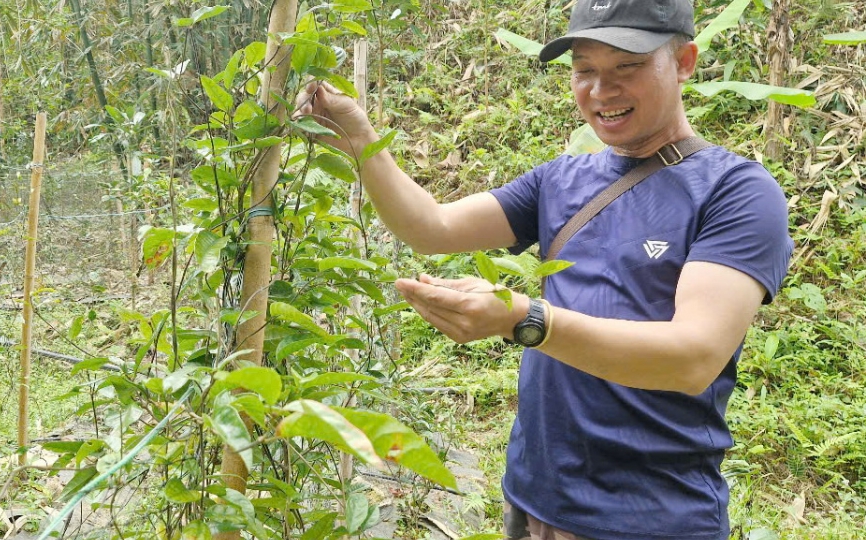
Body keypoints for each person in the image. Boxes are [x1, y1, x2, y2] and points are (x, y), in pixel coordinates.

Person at [296, 0, 793, 538]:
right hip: (534, 502)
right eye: (585, 71)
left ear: (685, 61)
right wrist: (359, 136)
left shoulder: (736, 192)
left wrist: (524, 319)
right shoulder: (561, 180)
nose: (602, 91)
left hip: (652, 518)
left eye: (626, 66)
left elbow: (692, 359)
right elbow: (431, 228)